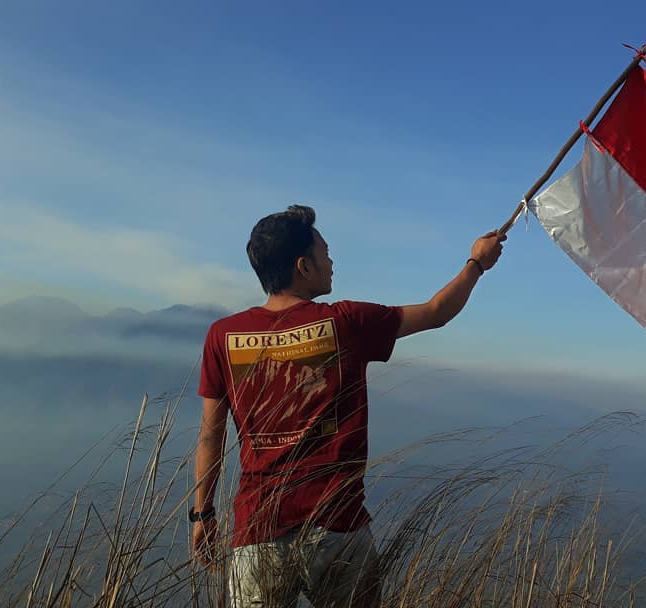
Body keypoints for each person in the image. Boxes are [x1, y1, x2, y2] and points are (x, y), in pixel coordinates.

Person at [192, 204, 505, 607]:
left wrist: (203, 515)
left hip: (257, 529)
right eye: (325, 253)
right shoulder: (346, 322)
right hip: (337, 527)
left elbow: (210, 436)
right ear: (303, 266)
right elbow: (436, 312)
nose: (332, 261)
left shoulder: (222, 336)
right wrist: (476, 264)